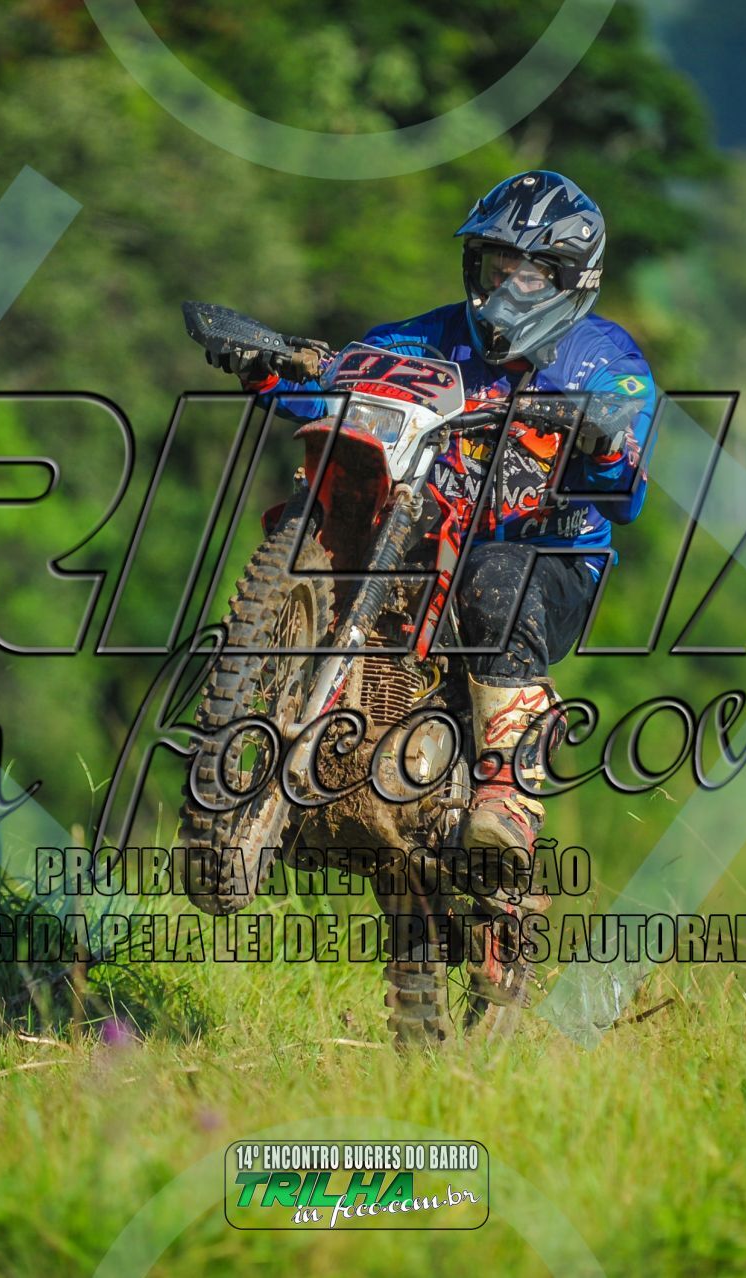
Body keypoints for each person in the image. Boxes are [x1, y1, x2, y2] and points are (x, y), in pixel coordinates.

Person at [208, 170, 658, 875]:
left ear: (572, 280)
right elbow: (337, 389)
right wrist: (268, 370)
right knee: (333, 515)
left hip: (549, 562)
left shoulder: (605, 360)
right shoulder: (420, 339)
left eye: (529, 275)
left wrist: (603, 437)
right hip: (424, 539)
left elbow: (625, 490)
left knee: (495, 574)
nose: (506, 288)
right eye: (496, 267)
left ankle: (509, 794)